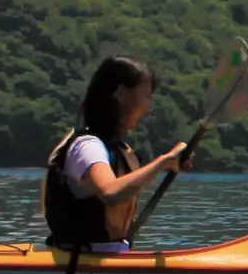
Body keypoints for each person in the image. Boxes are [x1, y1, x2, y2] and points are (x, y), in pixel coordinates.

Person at [42, 54, 190, 254]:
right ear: (120, 93)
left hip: (112, 258)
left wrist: (171, 164)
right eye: (145, 96)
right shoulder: (88, 147)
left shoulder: (119, 149)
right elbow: (110, 193)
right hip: (81, 265)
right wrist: (164, 162)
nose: (148, 106)